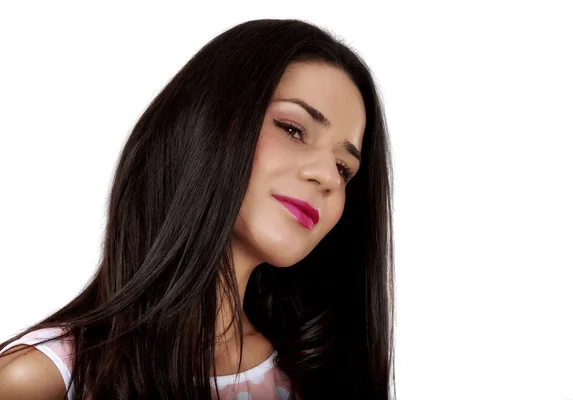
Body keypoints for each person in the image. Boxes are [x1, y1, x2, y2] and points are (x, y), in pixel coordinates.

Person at [0, 18, 395, 399]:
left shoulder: (319, 377)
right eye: (293, 129)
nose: (328, 176)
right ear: (206, 124)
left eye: (345, 169)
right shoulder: (41, 378)